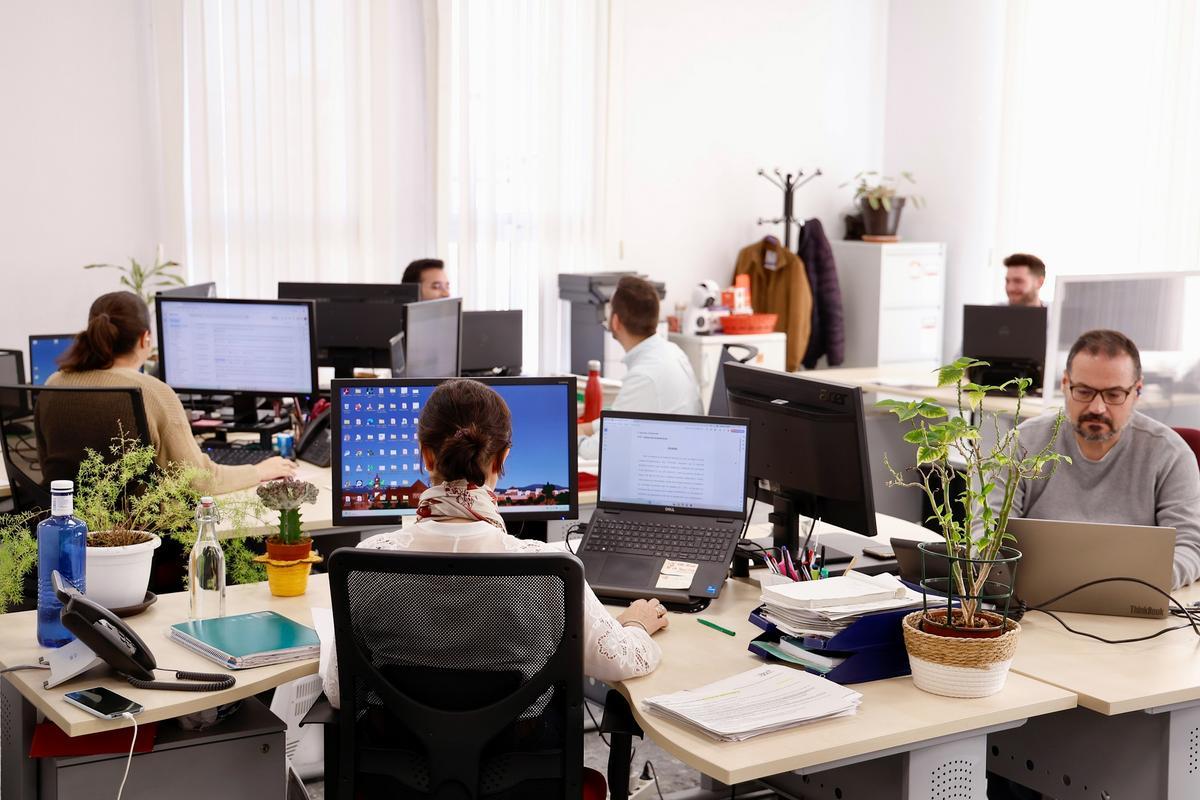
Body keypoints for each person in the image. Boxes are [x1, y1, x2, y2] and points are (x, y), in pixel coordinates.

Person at [321, 379, 668, 708]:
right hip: (520, 761)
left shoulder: (365, 565)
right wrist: (635, 623)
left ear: (426, 455)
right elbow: (625, 661)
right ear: (502, 459)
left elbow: (338, 693)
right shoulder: (547, 573)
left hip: (396, 760)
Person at [994, 329, 1200, 588]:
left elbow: (1190, 545)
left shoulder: (1171, 454)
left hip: (1134, 605)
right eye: (1084, 391)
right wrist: (1001, 581)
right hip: (1032, 606)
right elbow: (989, 533)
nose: (1097, 408)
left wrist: (1147, 586)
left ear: (1137, 391)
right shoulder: (1021, 445)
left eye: (1114, 395)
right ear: (1065, 384)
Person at [47, 291, 296, 494]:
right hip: (139, 537)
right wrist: (259, 471)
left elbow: (51, 467)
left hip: (67, 530)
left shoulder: (54, 383)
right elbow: (198, 480)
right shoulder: (152, 391)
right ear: (145, 339)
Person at [577, 276, 703, 461]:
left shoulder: (645, 376)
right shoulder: (671, 351)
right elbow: (623, 417)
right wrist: (589, 427)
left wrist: (572, 437)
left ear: (616, 322)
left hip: (665, 473)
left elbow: (594, 452)